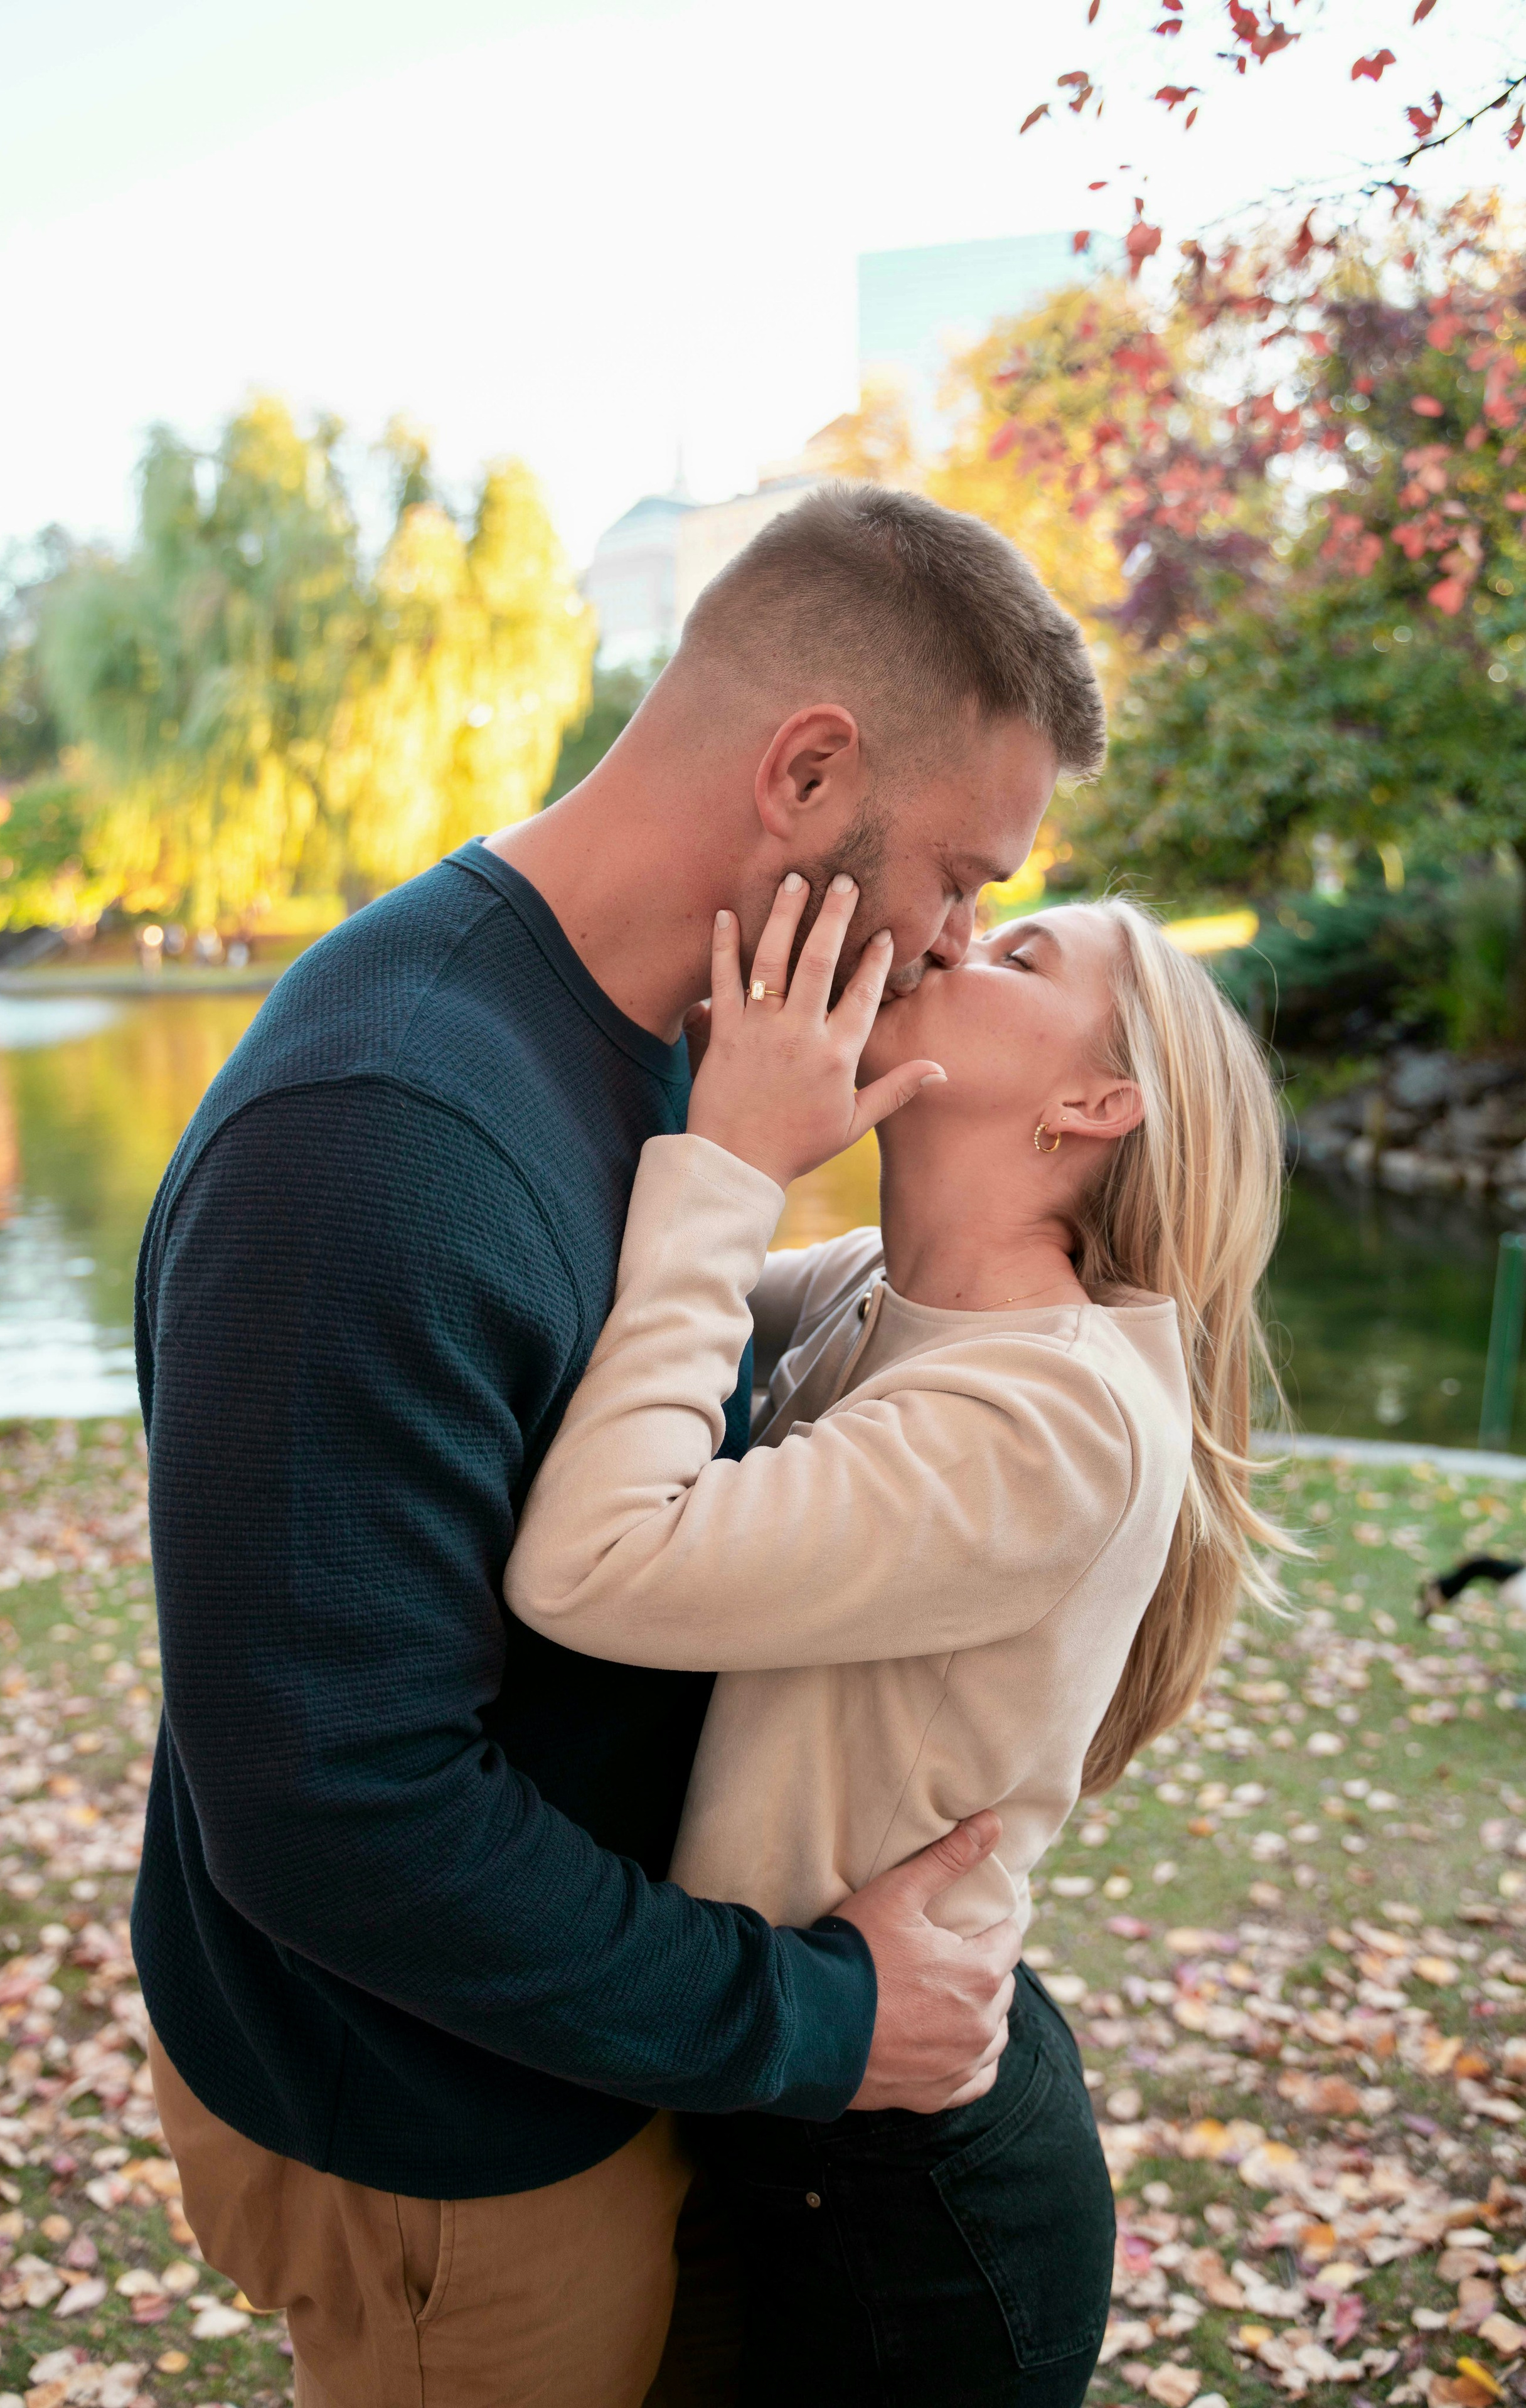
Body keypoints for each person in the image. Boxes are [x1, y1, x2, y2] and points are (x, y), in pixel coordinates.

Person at [132, 484, 1106, 2407]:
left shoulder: (681, 1034)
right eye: (963, 877)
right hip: (440, 2120)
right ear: (809, 770)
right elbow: (342, 1813)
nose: (952, 942)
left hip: (581, 2038)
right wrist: (823, 2016)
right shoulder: (376, 1140)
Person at [505, 874, 1293, 2405]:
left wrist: (732, 1155)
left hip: (902, 2205)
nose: (948, 941)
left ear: (1093, 1101)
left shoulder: (1049, 1416)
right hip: (807, 2078)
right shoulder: (882, 1293)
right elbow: (644, 1300)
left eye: (1016, 955)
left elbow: (595, 1560)